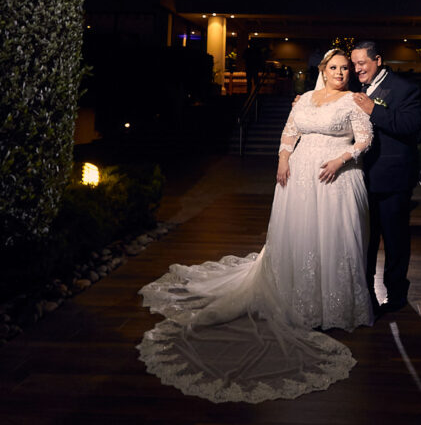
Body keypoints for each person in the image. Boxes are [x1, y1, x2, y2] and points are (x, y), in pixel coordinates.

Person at [137, 49, 374, 403]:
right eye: (334, 67)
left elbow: (365, 139)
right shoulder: (305, 98)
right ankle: (297, 299)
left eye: (344, 68)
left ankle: (333, 307)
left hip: (336, 180)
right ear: (322, 70)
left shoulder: (353, 101)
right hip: (298, 179)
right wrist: (282, 160)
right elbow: (288, 133)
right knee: (299, 237)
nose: (340, 72)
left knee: (334, 240)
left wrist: (340, 158)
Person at [351, 41, 421, 314]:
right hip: (360, 179)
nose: (357, 69)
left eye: (362, 63)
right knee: (364, 241)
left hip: (393, 180)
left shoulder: (405, 89)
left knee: (395, 241)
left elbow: (409, 126)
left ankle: (396, 296)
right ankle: (364, 294)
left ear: (377, 60)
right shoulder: (354, 89)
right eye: (354, 64)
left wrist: (374, 109)